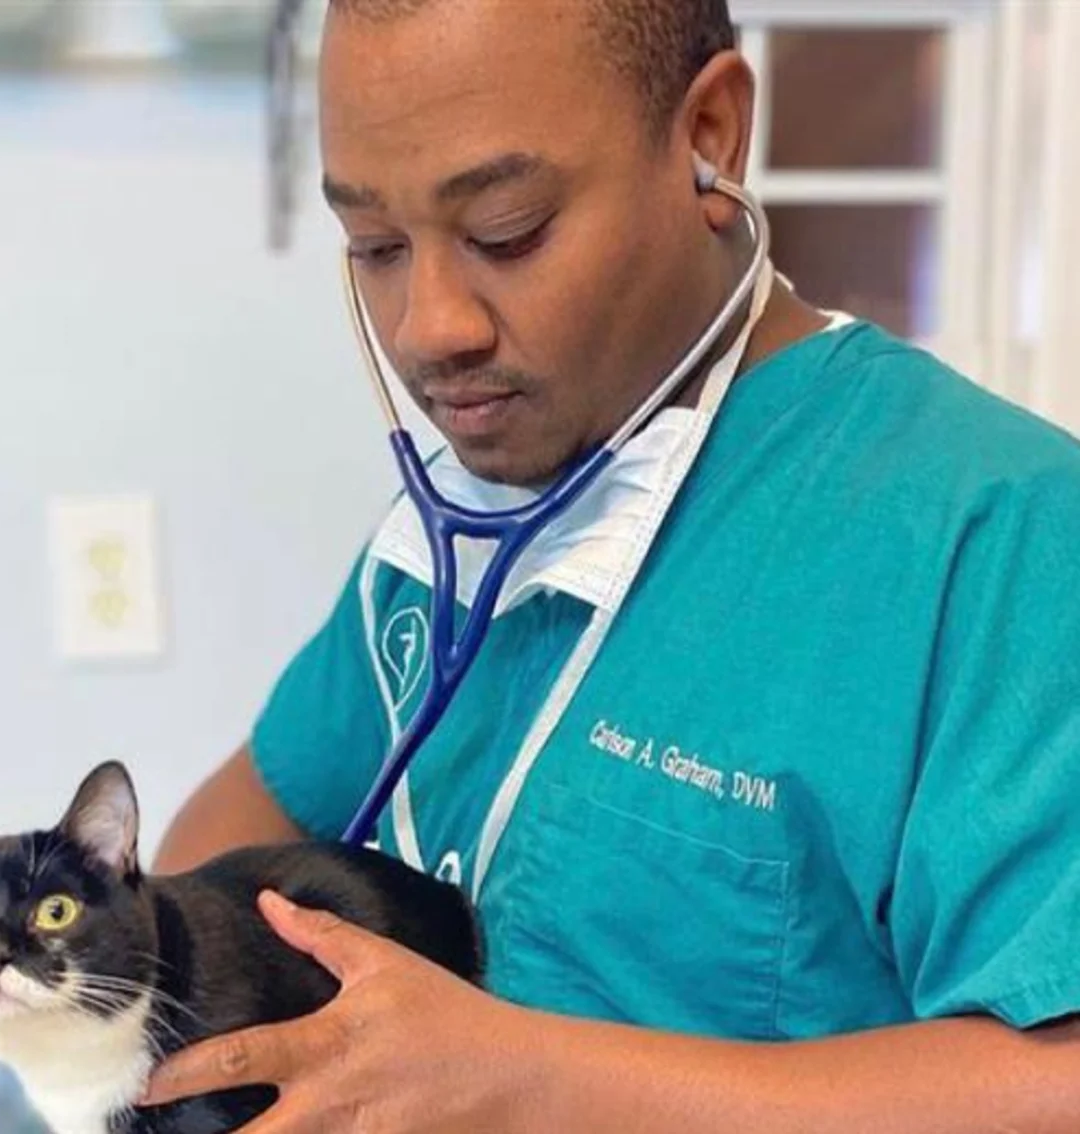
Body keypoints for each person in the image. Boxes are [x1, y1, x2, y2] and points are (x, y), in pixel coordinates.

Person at [139, 0, 1080, 1130]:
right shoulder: (463, 523)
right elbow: (216, 853)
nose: (429, 327)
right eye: (376, 247)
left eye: (507, 229)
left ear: (712, 136)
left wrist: (525, 1079)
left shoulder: (994, 531)